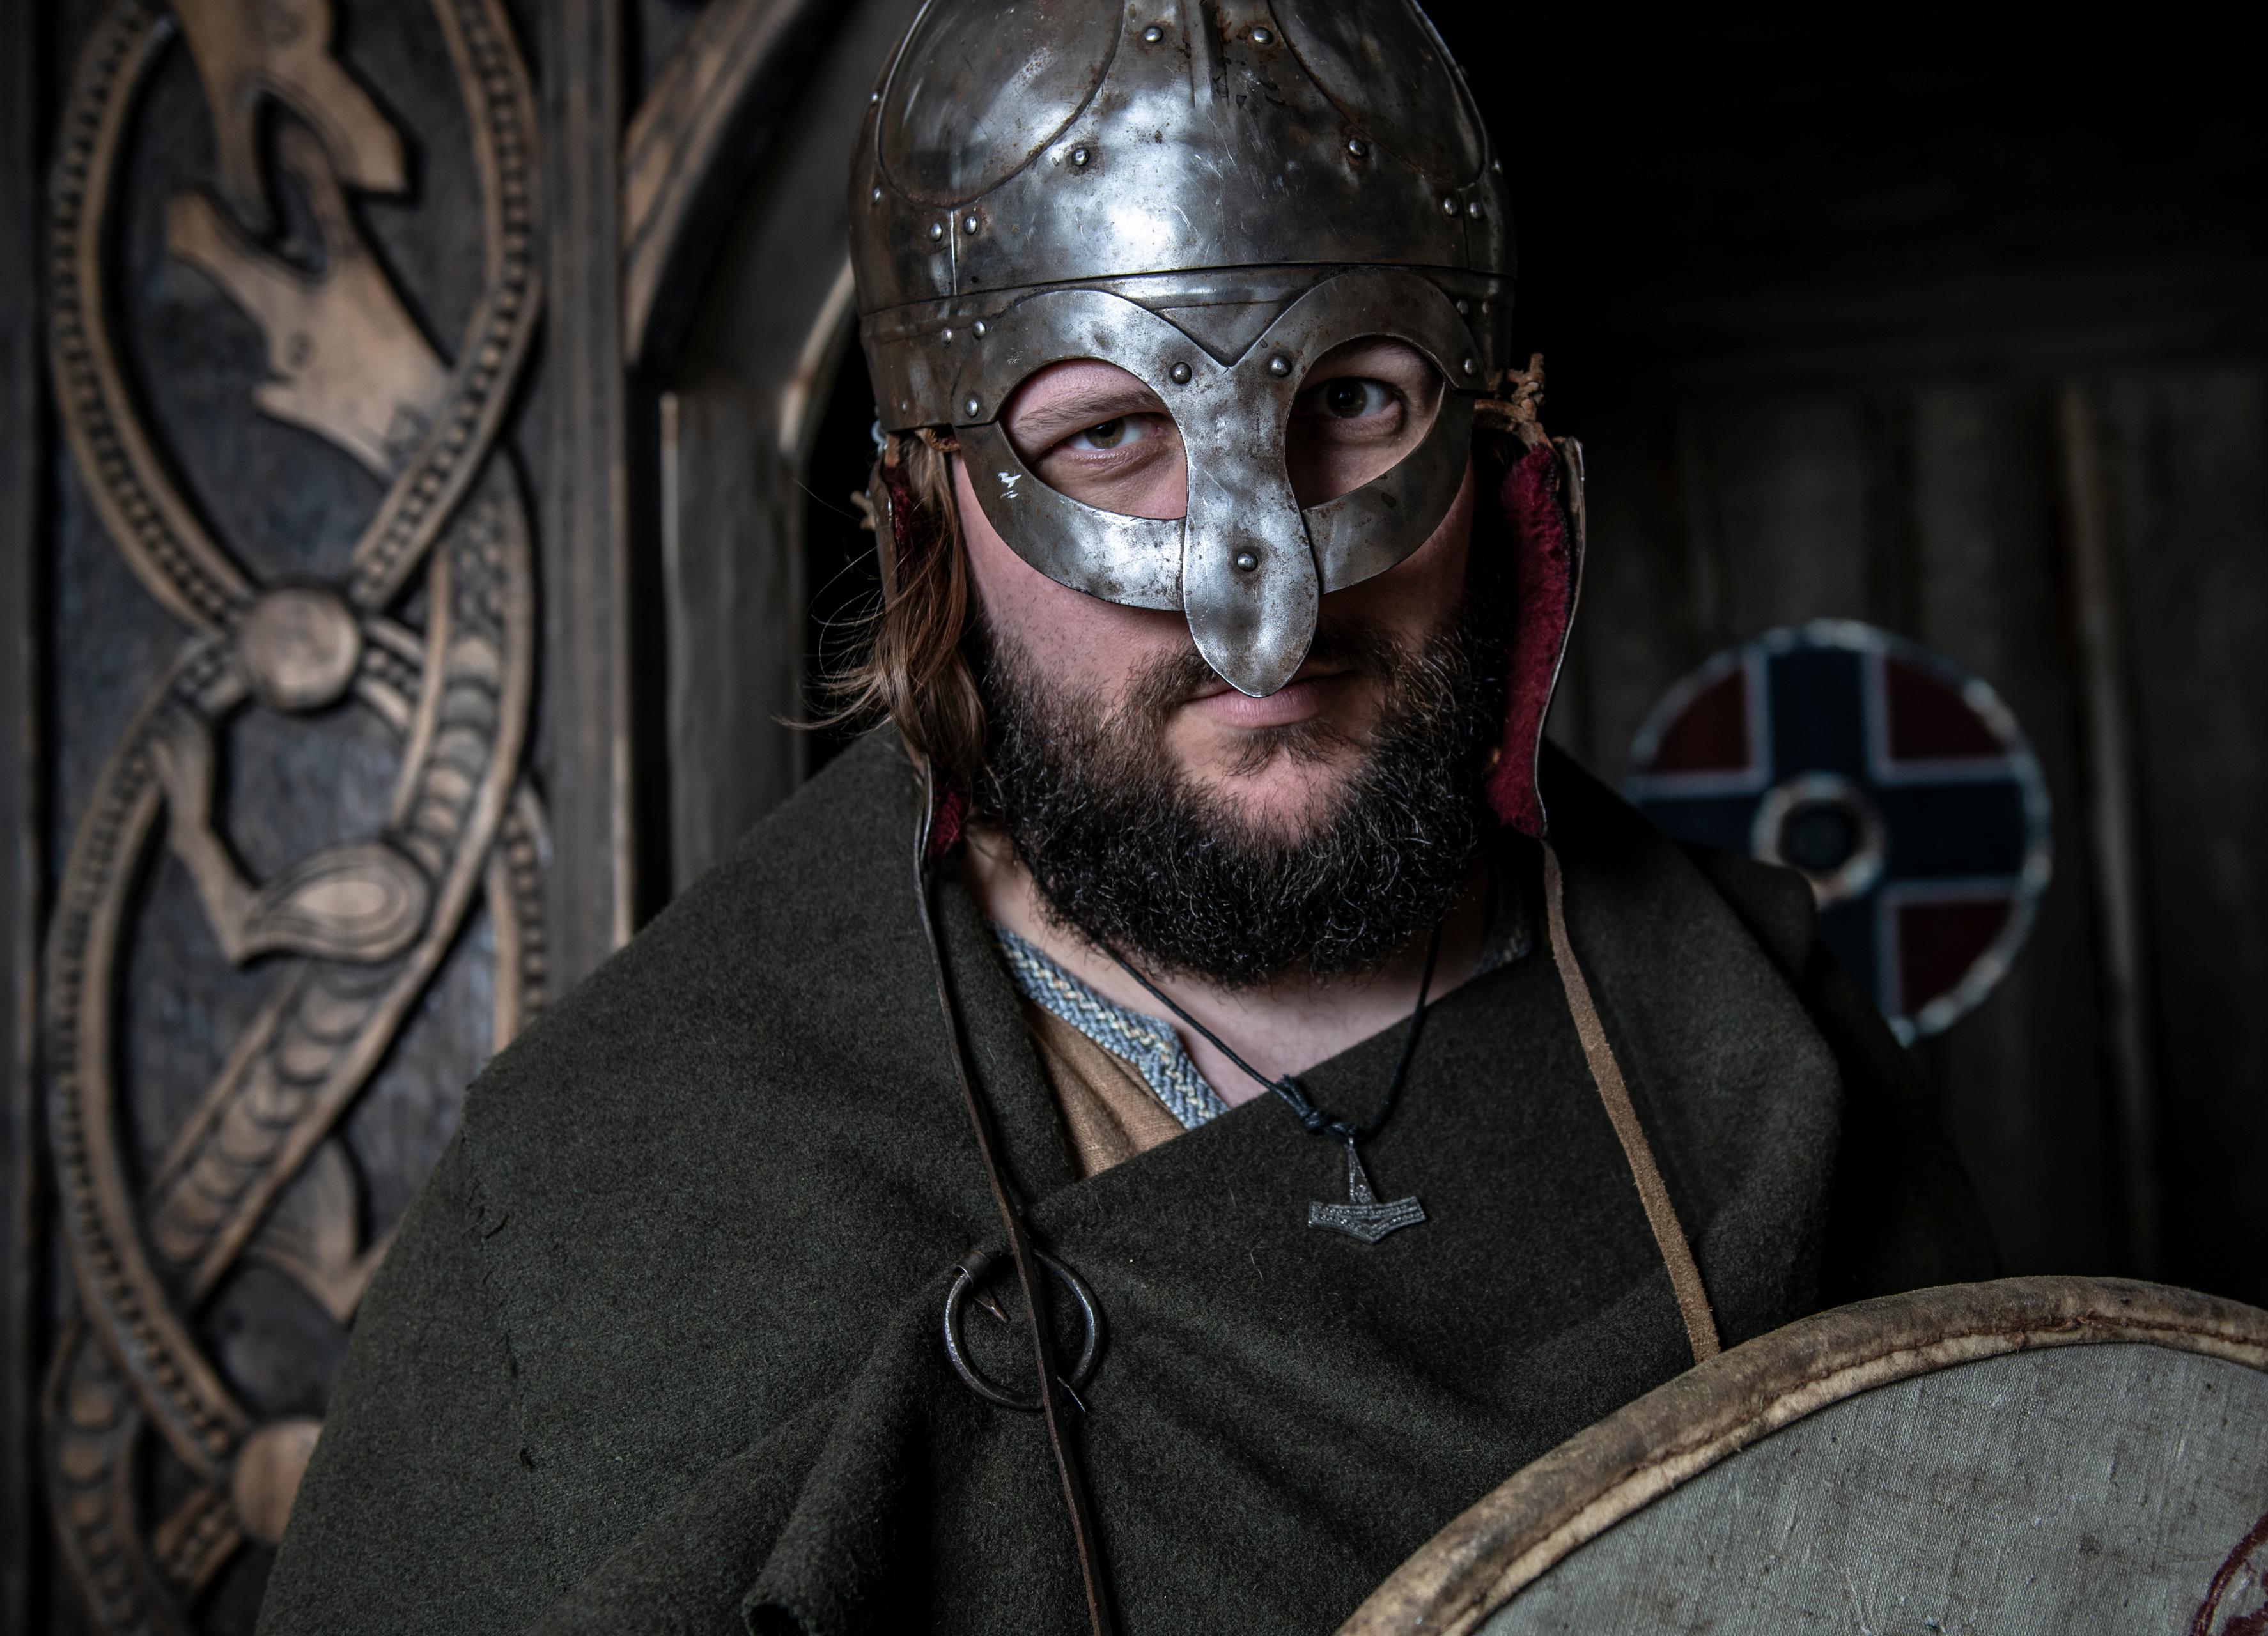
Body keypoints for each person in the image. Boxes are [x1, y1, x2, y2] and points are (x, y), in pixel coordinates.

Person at [258, 3, 1994, 1631]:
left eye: (1354, 407)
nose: (1269, 608)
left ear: (1496, 434)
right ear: (929, 508)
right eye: (1104, 439)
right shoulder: (613, 1186)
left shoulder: (1768, 1043)